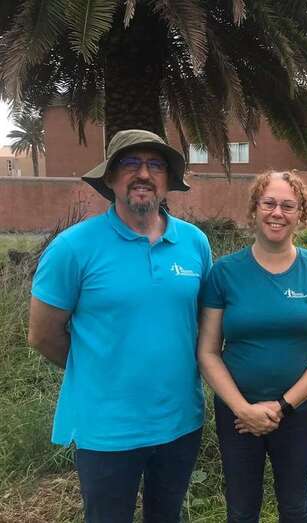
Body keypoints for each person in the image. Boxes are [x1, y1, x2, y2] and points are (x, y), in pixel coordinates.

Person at [28, 129, 213, 522]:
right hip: (106, 429)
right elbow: (43, 334)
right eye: (130, 163)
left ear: (167, 180)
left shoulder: (194, 243)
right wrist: (102, 367)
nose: (143, 173)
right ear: (110, 177)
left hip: (180, 421)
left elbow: (203, 324)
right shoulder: (73, 248)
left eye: (155, 165)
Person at [197, 170, 307, 523]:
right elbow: (208, 351)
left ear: (300, 214)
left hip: (297, 412)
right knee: (241, 507)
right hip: (237, 414)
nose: (278, 213)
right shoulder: (224, 272)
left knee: (295, 506)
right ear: (255, 208)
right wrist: (242, 408)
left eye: (288, 206)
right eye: (269, 203)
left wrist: (283, 406)